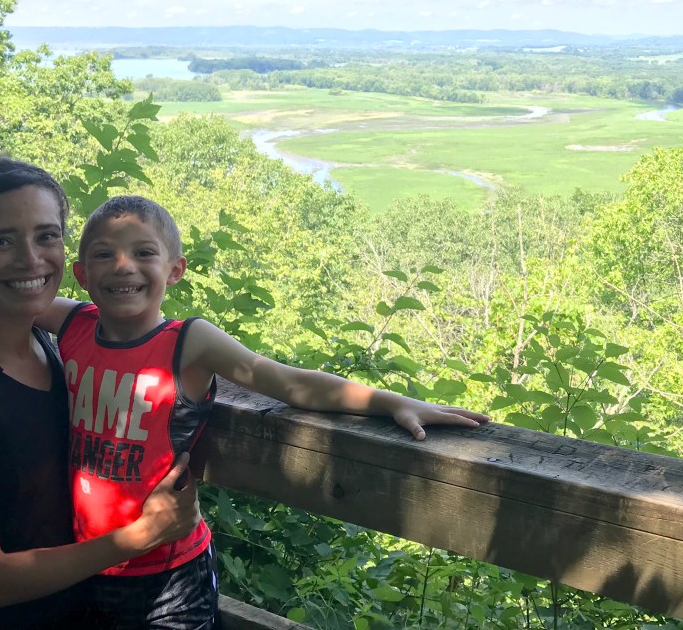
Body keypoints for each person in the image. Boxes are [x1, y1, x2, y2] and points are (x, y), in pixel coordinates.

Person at [36, 194, 491, 629]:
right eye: (104, 254)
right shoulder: (73, 323)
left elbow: (288, 382)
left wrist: (391, 402)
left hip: (169, 568)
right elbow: (5, 304)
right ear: (81, 273)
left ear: (175, 270)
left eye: (144, 252)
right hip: (86, 559)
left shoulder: (188, 342)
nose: (123, 266)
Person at [0, 160, 203, 630]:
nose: (31, 259)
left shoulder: (47, 343)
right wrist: (143, 534)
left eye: (47, 236)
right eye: (1, 241)